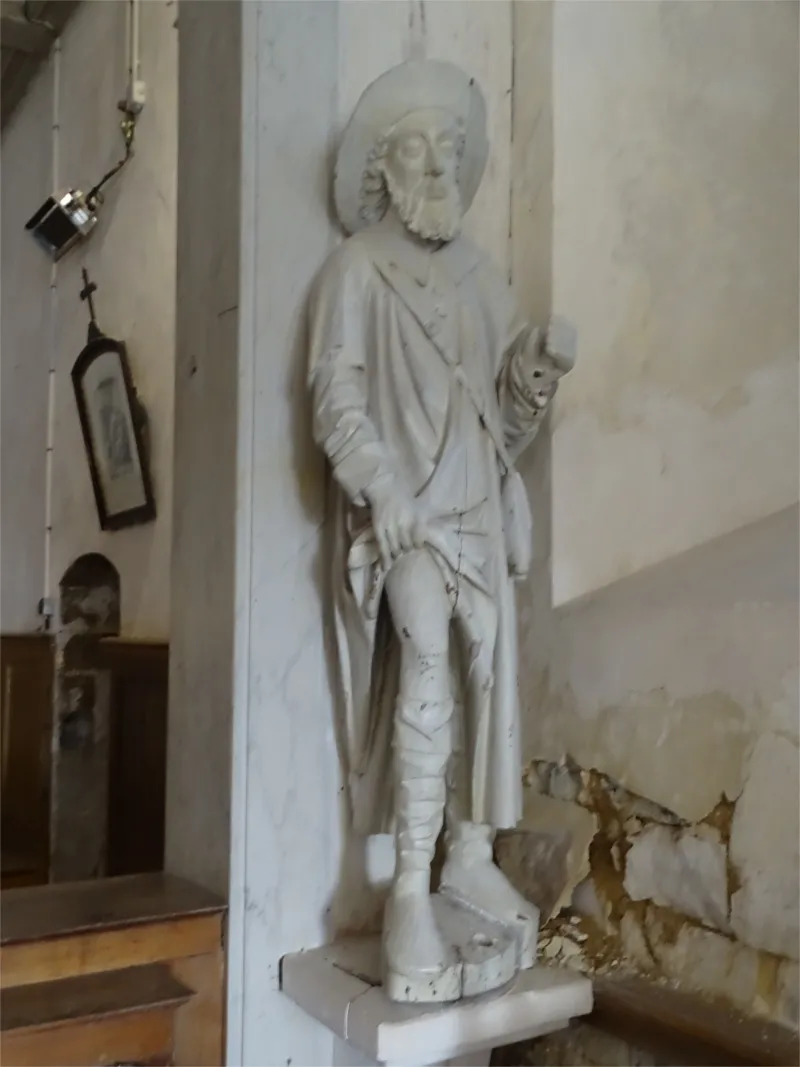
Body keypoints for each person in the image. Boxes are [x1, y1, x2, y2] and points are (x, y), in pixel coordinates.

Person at [309, 60, 576, 1001]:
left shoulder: (477, 275)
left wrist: (537, 371)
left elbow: (503, 420)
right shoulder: (354, 270)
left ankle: (469, 854)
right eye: (421, 146)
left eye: (452, 149)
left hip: (472, 505)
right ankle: (409, 898)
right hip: (406, 520)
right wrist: (380, 490)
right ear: (384, 164)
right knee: (427, 671)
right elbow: (335, 400)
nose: (440, 165)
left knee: (490, 677)